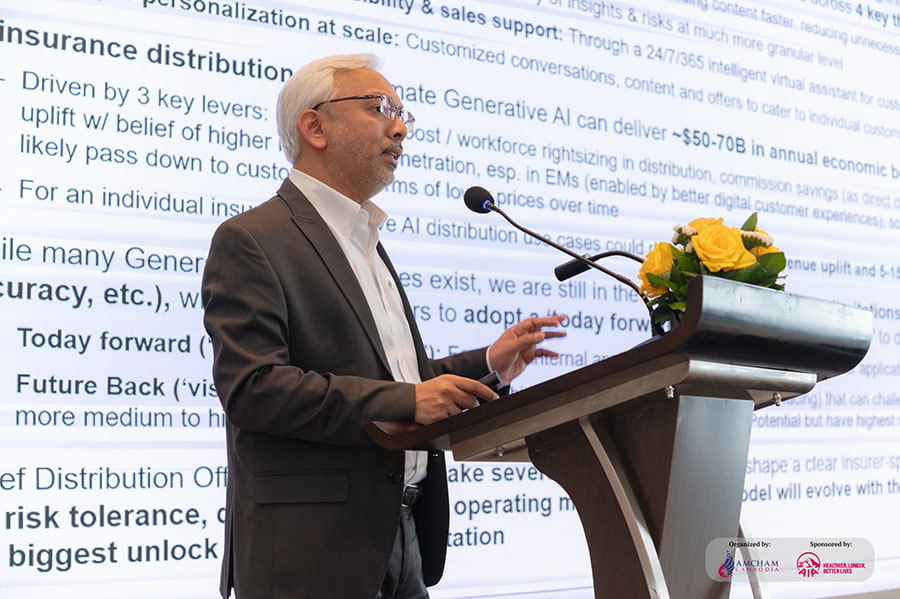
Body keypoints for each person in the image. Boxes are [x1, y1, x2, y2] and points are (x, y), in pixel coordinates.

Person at [201, 53, 566, 599]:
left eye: (403, 114)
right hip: (312, 552)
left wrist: (489, 365)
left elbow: (396, 376)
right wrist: (406, 402)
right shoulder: (253, 239)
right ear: (314, 125)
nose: (400, 127)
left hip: (403, 537)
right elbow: (253, 390)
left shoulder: (366, 240)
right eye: (380, 109)